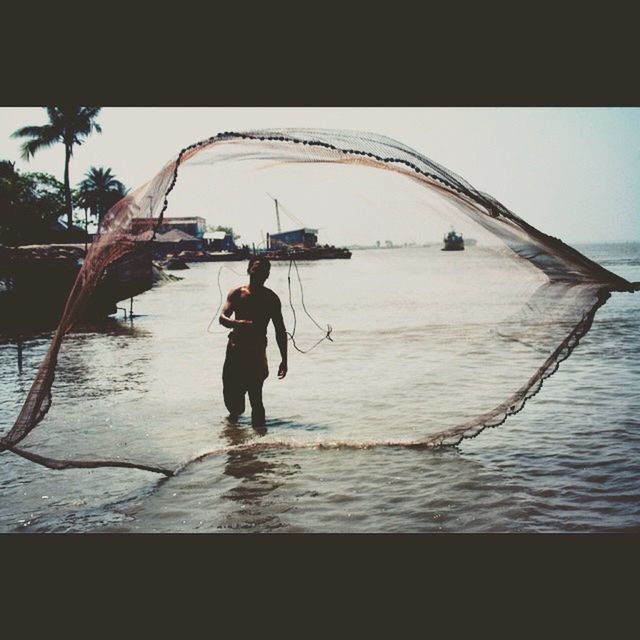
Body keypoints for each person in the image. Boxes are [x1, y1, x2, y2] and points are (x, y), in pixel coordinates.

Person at [219, 255, 288, 427]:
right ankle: (234, 438)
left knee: (256, 398)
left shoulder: (271, 298)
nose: (260, 273)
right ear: (249, 270)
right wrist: (237, 323)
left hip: (256, 351)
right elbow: (222, 318)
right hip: (235, 349)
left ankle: (259, 443)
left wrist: (284, 360)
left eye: (264, 271)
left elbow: (280, 330)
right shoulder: (237, 294)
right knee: (233, 401)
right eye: (256, 269)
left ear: (268, 275)